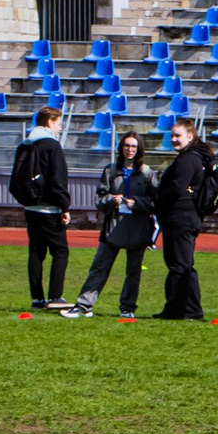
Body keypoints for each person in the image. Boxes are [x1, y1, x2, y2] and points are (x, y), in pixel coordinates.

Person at [63, 132, 158, 319]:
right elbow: (99, 199)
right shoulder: (111, 170)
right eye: (126, 146)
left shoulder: (147, 173)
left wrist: (137, 203)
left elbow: (157, 201)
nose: (129, 150)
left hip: (138, 228)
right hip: (113, 227)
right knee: (100, 266)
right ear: (121, 148)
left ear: (139, 149)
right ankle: (84, 306)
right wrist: (111, 200)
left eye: (133, 146)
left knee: (133, 271)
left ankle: (128, 308)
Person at [8, 106, 72, 309]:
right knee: (60, 251)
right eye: (58, 123)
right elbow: (58, 179)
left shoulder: (25, 145)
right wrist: (64, 206)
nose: (60, 128)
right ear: (50, 122)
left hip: (30, 207)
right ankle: (55, 297)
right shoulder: (52, 146)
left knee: (36, 252)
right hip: (49, 208)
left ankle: (37, 298)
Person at [154, 117, 212, 320]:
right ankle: (191, 309)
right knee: (184, 265)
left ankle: (177, 309)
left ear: (190, 136)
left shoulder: (188, 159)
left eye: (178, 135)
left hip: (180, 218)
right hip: (185, 217)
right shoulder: (193, 157)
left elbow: (177, 188)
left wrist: (156, 200)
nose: (173, 139)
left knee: (179, 265)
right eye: (172, 135)